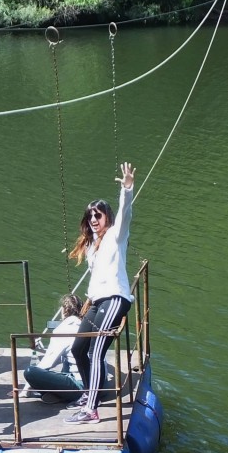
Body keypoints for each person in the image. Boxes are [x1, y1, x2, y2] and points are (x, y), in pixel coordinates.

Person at [65, 162, 135, 424]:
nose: (94, 220)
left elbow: (127, 213)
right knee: (78, 349)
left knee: (96, 351)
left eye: (99, 215)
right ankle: (89, 392)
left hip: (116, 300)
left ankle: (91, 410)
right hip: (97, 302)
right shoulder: (92, 245)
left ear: (108, 217)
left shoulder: (117, 235)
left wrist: (127, 189)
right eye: (90, 216)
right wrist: (89, 300)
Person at [23, 294, 85, 403]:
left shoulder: (63, 329)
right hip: (100, 384)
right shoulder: (86, 326)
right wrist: (43, 350)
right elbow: (70, 353)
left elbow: (47, 363)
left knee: (30, 372)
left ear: (63, 310)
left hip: (81, 387)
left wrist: (26, 388)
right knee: (66, 365)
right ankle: (58, 395)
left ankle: (61, 395)